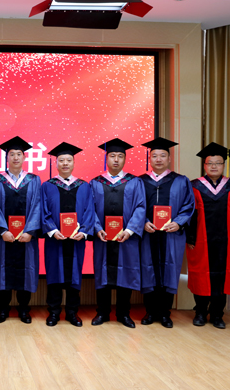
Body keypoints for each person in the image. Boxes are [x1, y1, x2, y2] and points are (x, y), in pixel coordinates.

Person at [186, 142, 230, 329]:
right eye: (210, 163)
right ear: (204, 165)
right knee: (200, 276)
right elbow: (189, 213)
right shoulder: (195, 186)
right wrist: (190, 237)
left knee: (222, 277)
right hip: (201, 241)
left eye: (218, 163)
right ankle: (200, 312)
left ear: (224, 165)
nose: (214, 166)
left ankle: (217, 315)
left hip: (226, 242)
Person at [90, 138, 147, 329]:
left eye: (120, 156)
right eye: (112, 156)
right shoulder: (95, 182)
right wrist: (97, 228)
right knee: (102, 274)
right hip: (103, 237)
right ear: (106, 158)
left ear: (125, 159)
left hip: (126, 238)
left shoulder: (135, 182)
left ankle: (124, 314)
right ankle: (102, 312)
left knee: (126, 272)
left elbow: (140, 207)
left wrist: (130, 230)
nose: (116, 159)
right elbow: (89, 209)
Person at [139, 137, 195, 328]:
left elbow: (188, 205)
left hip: (171, 235)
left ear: (169, 158)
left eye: (163, 155)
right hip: (148, 234)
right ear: (150, 159)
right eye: (154, 156)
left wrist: (178, 223)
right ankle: (149, 312)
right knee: (148, 269)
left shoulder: (181, 181)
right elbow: (133, 206)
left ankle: (164, 314)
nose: (158, 159)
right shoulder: (140, 181)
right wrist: (143, 222)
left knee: (169, 270)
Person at [0, 136, 42, 324]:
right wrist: (3, 230)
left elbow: (37, 206)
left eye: (19, 154)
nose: (16, 157)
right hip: (4, 238)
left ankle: (24, 310)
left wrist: (30, 231)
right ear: (6, 157)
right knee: (3, 270)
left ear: (24, 157)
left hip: (27, 237)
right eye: (12, 154)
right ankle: (3, 310)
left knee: (26, 270)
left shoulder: (34, 180)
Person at [41, 142, 95, 327]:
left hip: (76, 240)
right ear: (56, 163)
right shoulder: (47, 186)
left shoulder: (84, 186)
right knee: (54, 275)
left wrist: (84, 231)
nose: (65, 163)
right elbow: (43, 211)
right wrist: (52, 230)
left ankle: (72, 312)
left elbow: (89, 211)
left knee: (74, 276)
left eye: (68, 160)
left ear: (73, 163)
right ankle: (54, 312)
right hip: (55, 240)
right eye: (61, 160)